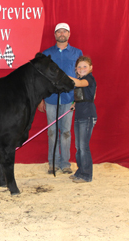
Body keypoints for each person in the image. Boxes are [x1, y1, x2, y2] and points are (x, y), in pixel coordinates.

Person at [38, 23, 83, 174]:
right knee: (52, 131)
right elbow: (41, 78)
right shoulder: (47, 53)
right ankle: (53, 163)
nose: (62, 34)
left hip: (69, 99)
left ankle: (65, 164)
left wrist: (77, 99)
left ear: (69, 34)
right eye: (59, 32)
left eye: (65, 31)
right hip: (51, 99)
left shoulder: (77, 53)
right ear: (55, 35)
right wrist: (40, 99)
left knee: (66, 132)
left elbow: (80, 77)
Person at [68, 56, 97, 183]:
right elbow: (84, 95)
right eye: (79, 66)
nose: (82, 68)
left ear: (90, 68)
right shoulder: (80, 80)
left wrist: (64, 77)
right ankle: (80, 171)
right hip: (79, 115)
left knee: (84, 146)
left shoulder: (89, 79)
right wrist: (75, 104)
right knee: (78, 146)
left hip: (87, 116)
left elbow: (80, 84)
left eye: (85, 66)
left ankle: (86, 175)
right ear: (76, 69)